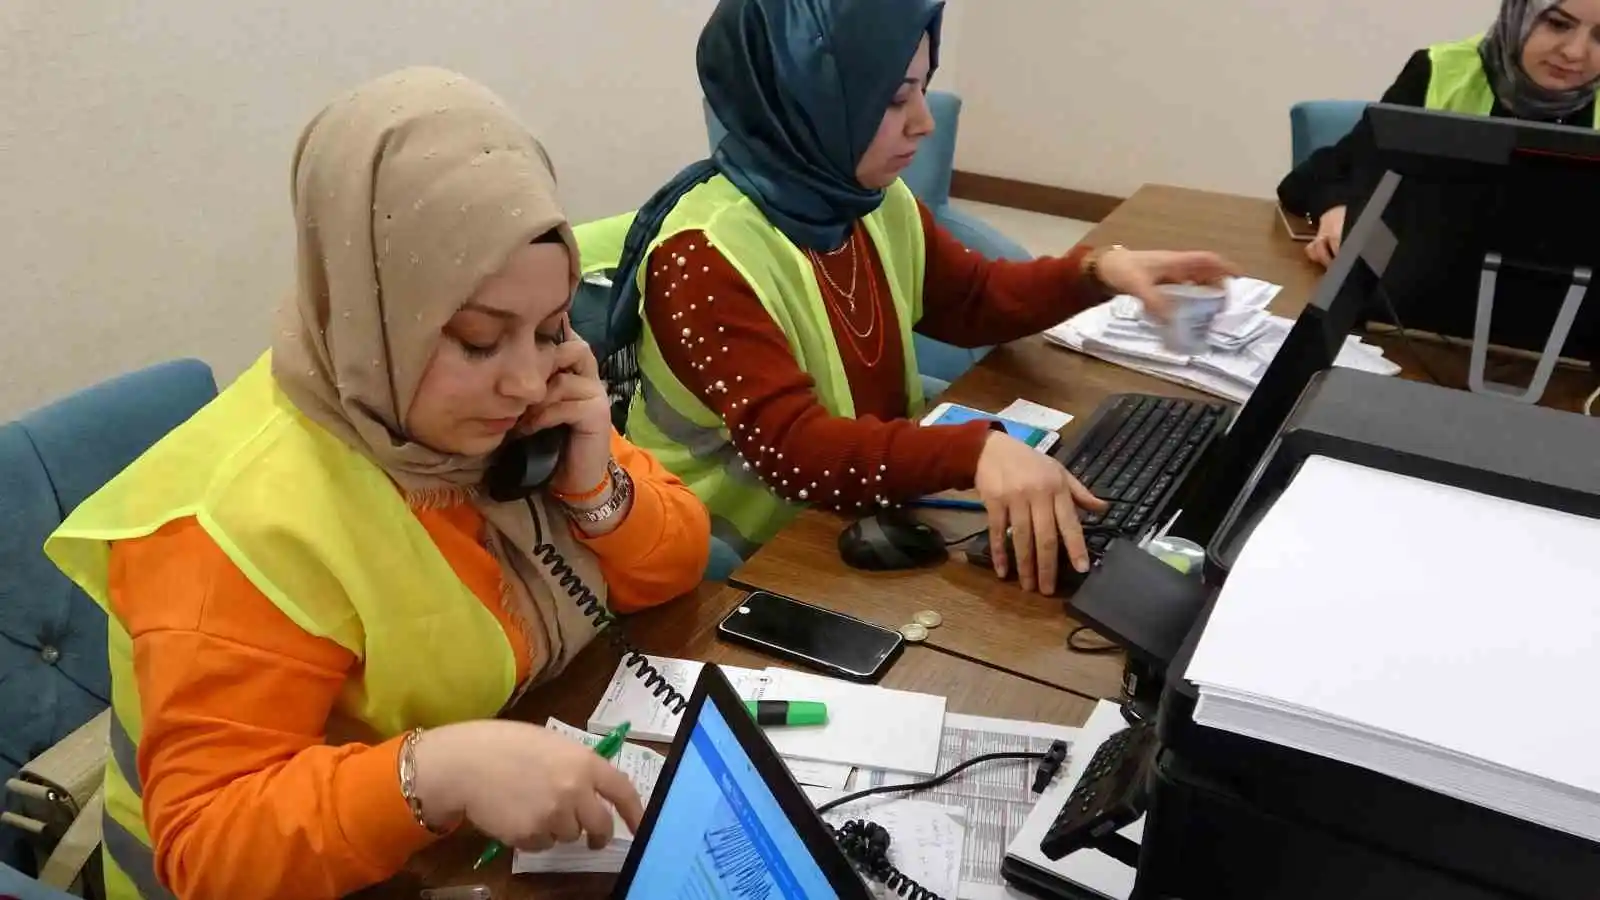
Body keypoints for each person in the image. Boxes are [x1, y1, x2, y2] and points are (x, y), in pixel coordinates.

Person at [45, 69, 710, 900]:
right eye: (476, 340)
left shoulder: (505, 413)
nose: (523, 380)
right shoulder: (237, 525)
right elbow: (210, 849)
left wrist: (594, 482)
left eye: (548, 330)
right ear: (375, 314)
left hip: (461, 841)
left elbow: (677, 564)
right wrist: (436, 769)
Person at [605, 0, 1237, 596]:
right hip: (741, 559)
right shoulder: (703, 256)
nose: (924, 122)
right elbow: (795, 450)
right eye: (894, 99)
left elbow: (974, 300)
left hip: (858, 516)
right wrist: (975, 450)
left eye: (921, 89)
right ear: (811, 101)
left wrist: (1101, 271)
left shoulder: (861, 198)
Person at [1280, 0, 1600, 267]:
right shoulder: (1439, 73)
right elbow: (1315, 177)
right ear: (1520, 12)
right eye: (1558, 24)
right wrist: (1335, 208)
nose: (1574, 52)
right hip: (1419, 310)